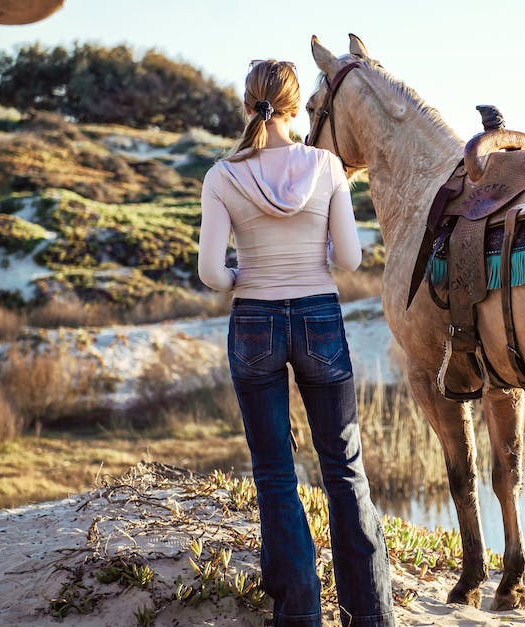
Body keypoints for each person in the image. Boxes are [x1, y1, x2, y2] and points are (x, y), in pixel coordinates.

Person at [196, 59, 396, 627]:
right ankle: (369, 613)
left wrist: (247, 278)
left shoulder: (222, 176)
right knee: (345, 466)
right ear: (293, 107)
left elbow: (212, 273)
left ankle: (299, 610)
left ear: (247, 105)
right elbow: (351, 259)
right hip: (320, 319)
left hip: (254, 321)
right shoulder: (327, 166)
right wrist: (311, 264)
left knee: (276, 472)